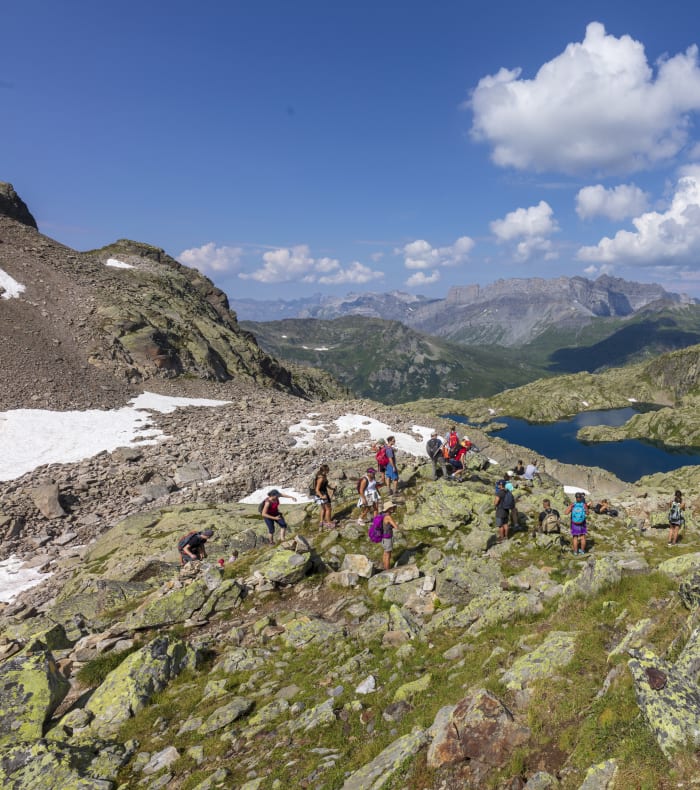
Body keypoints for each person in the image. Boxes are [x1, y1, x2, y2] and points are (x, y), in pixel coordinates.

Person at [377, 500, 400, 571]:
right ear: (389, 509)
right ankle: (387, 570)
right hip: (388, 537)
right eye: (392, 507)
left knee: (385, 552)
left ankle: (384, 568)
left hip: (383, 537)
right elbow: (396, 527)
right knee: (388, 554)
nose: (393, 508)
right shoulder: (388, 517)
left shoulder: (382, 515)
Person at [313, 464, 335, 528]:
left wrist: (331, 488)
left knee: (323, 508)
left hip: (322, 494)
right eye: (328, 469)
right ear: (325, 470)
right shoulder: (321, 478)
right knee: (328, 509)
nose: (329, 470)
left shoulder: (323, 476)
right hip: (322, 494)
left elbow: (325, 484)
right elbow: (317, 489)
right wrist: (322, 496)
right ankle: (329, 522)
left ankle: (321, 521)